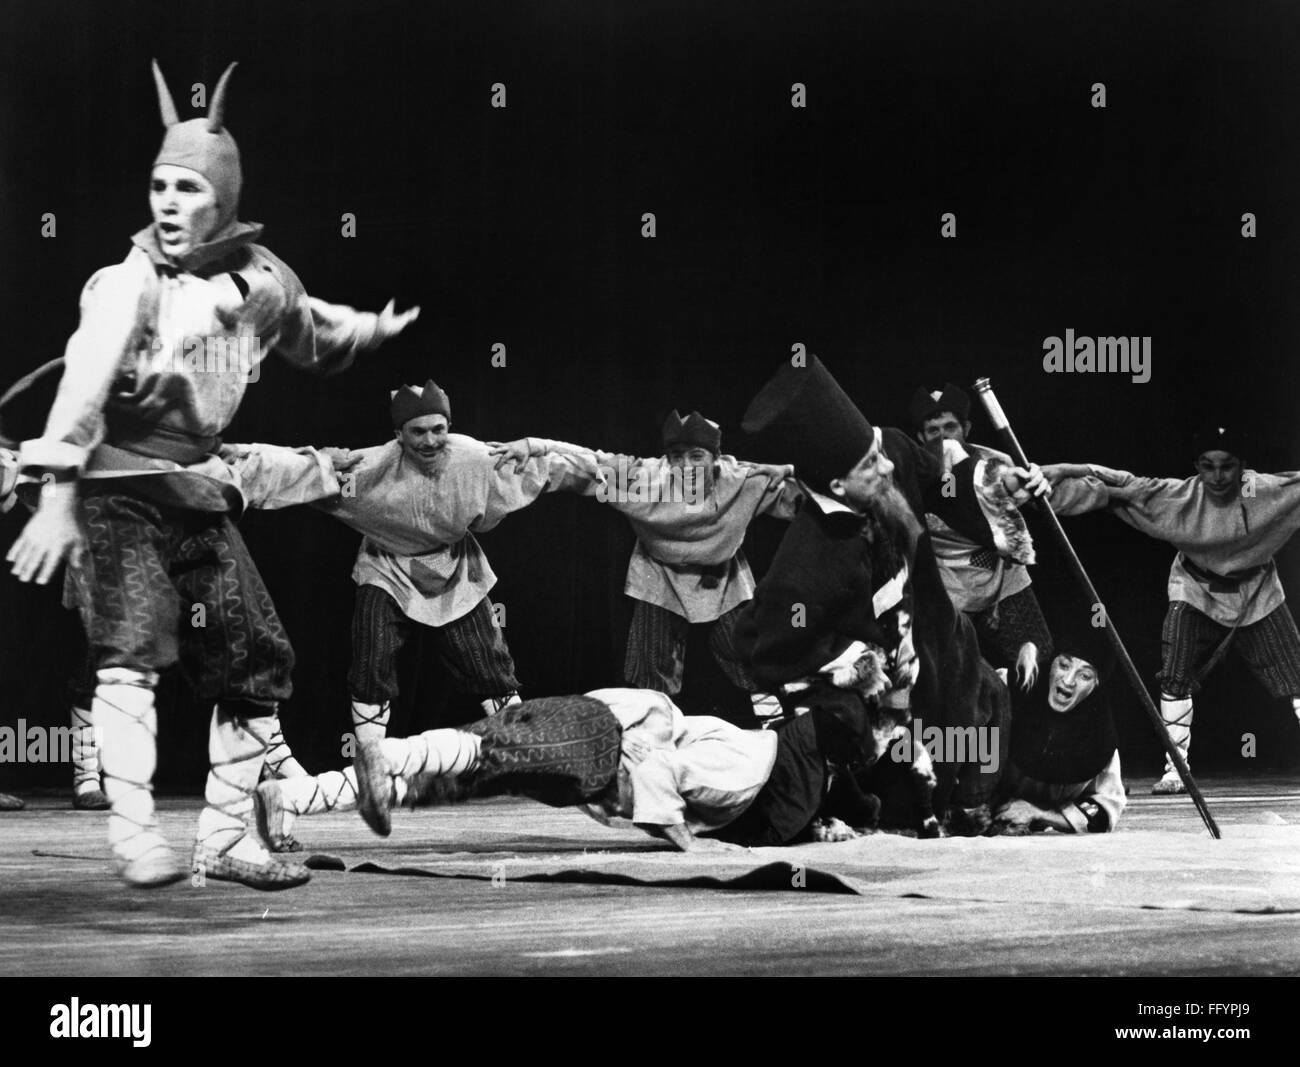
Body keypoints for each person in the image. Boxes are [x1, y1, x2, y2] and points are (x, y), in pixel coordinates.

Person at [4, 61, 419, 888]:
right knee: (129, 651)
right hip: (114, 487)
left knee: (257, 653)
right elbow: (82, 387)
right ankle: (131, 831)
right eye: (158, 185)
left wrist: (371, 329)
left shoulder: (262, 280)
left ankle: (226, 839)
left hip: (196, 488)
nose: (166, 203)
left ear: (222, 198)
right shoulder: (124, 287)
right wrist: (52, 498)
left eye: (187, 188)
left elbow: (311, 329)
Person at [249, 381, 605, 846]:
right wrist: (289, 463)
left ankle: (534, 759)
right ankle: (371, 768)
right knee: (372, 657)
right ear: (399, 434)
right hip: (387, 567)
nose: (430, 440)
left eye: (439, 429)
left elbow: (568, 467)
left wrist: (542, 446)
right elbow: (293, 472)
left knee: (492, 672)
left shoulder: (476, 459)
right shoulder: (368, 466)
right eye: (418, 431)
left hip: (453, 568)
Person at [733, 357, 1043, 830]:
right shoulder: (807, 563)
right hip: (884, 692)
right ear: (837, 485)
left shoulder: (891, 449)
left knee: (988, 695)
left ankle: (968, 805)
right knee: (908, 793)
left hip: (938, 635)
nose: (887, 466)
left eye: (879, 453)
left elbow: (941, 479)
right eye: (870, 465)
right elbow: (764, 646)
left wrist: (1004, 482)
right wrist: (856, 664)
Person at [335, 685, 915, 851]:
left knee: (489, 766)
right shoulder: (742, 766)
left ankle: (314, 794)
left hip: (601, 749)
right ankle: (386, 759)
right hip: (593, 742)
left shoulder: (745, 748)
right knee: (493, 752)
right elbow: (660, 767)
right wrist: (687, 845)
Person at [1044, 426, 1300, 794]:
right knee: (1175, 672)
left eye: (1227, 466)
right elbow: (1121, 486)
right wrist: (1063, 470)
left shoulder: (1263, 490)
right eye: (1207, 466)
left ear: (1242, 465)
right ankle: (1177, 769)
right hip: (1194, 589)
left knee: (1296, 676)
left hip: (1256, 591)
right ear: (1196, 466)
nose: (1217, 476)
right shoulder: (1182, 496)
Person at [501, 411, 800, 720]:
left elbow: (811, 496)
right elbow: (587, 463)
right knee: (651, 665)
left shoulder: (743, 480)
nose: (686, 466)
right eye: (676, 456)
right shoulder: (642, 479)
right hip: (660, 576)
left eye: (696, 456)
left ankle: (776, 724)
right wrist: (532, 445)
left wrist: (793, 469)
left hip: (722, 576)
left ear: (716, 458)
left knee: (747, 652)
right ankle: (655, 729)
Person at [908, 382, 1053, 684]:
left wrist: (1038, 480)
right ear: (921, 437)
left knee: (1036, 652)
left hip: (1001, 576)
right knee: (949, 674)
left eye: (950, 427)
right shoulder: (909, 473)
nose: (944, 438)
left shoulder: (995, 464)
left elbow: (1023, 489)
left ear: (967, 428)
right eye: (933, 431)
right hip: (949, 583)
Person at [990, 629, 1127, 834]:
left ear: (1095, 685)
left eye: (1085, 675)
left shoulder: (1099, 734)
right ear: (1051, 662)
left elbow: (1104, 811)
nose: (1068, 681)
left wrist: (1038, 813)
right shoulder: (1007, 685)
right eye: (1064, 665)